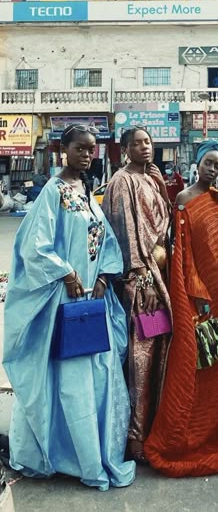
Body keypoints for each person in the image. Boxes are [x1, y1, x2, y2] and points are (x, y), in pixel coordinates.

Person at [3, 124, 135, 490]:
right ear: (65, 149)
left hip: (92, 300)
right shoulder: (53, 191)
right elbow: (35, 246)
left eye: (92, 149)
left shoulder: (85, 191)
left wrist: (105, 277)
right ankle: (70, 456)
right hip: (66, 303)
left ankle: (90, 452)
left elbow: (105, 239)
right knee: (71, 379)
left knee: (97, 375)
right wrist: (67, 274)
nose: (87, 155)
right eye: (80, 149)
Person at [144, 140, 218, 476]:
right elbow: (183, 253)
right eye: (208, 163)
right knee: (202, 362)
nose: (212, 169)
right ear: (197, 163)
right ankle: (200, 423)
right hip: (201, 294)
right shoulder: (183, 200)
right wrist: (196, 290)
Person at [102, 127, 171, 464]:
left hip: (160, 279)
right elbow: (123, 233)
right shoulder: (121, 182)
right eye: (138, 143)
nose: (145, 147)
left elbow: (164, 226)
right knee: (139, 361)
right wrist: (139, 279)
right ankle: (135, 438)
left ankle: (154, 427)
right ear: (125, 149)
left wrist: (160, 186)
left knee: (157, 354)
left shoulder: (150, 178)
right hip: (141, 284)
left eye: (149, 142)